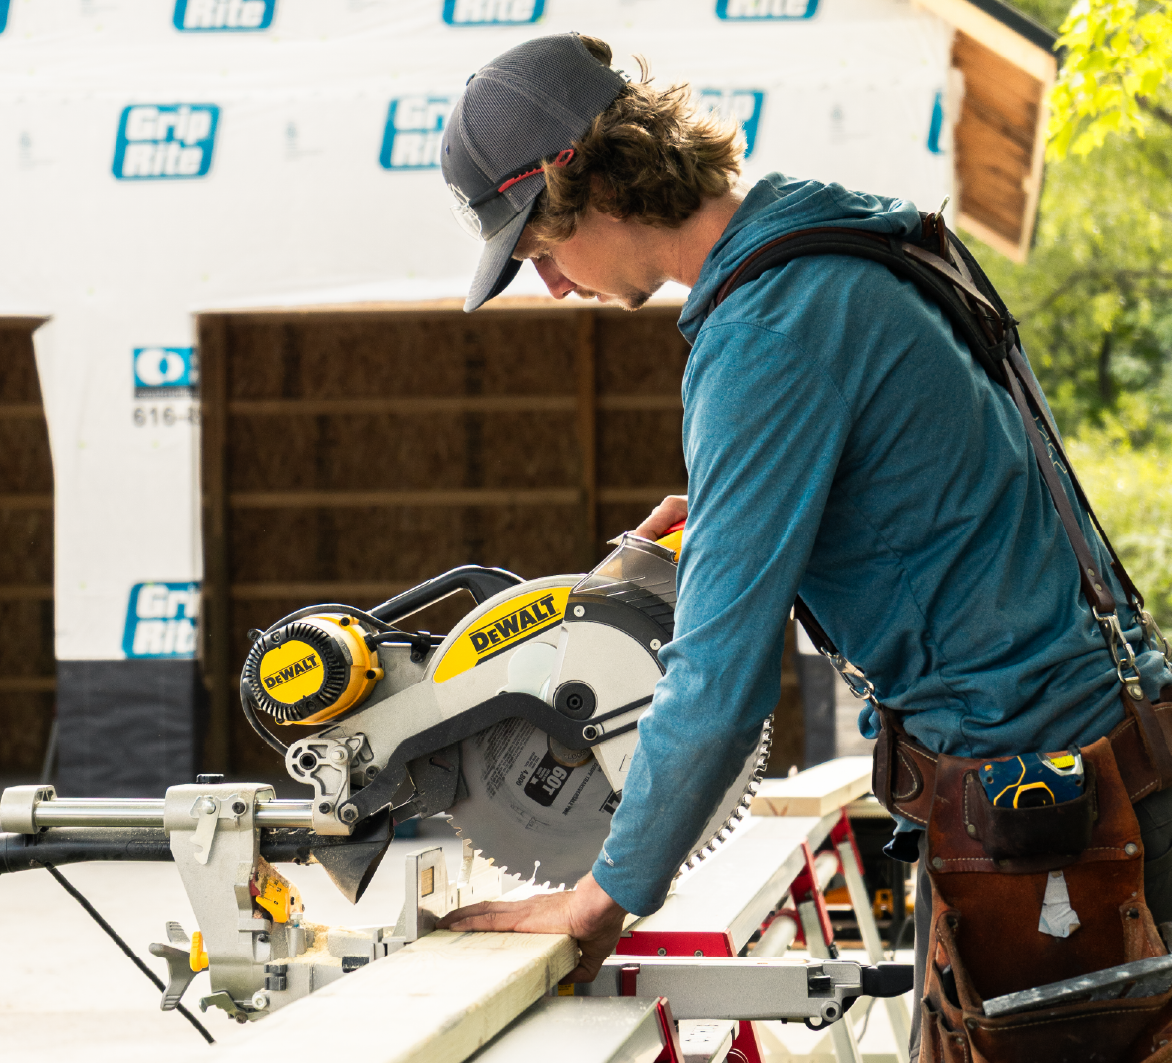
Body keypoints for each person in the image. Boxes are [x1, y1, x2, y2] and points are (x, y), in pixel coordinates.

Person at [434, 31, 1172, 1057]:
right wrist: (736, 508)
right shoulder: (841, 242)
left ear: (584, 183)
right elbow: (925, 488)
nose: (549, 283)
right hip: (1108, 771)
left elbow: (719, 684)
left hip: (1049, 834)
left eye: (538, 249)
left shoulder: (764, 331)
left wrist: (596, 900)